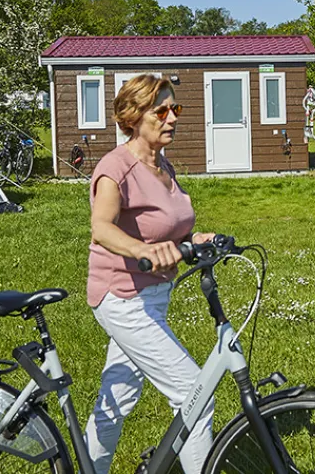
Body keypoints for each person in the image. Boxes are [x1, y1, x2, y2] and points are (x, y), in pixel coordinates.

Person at [84, 74, 217, 472]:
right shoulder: (115, 168)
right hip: (122, 296)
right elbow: (102, 227)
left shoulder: (162, 165)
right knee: (196, 394)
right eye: (162, 111)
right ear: (134, 116)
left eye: (175, 108)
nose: (173, 118)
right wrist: (142, 251)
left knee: (118, 397)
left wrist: (198, 238)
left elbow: (169, 227)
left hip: (153, 296)